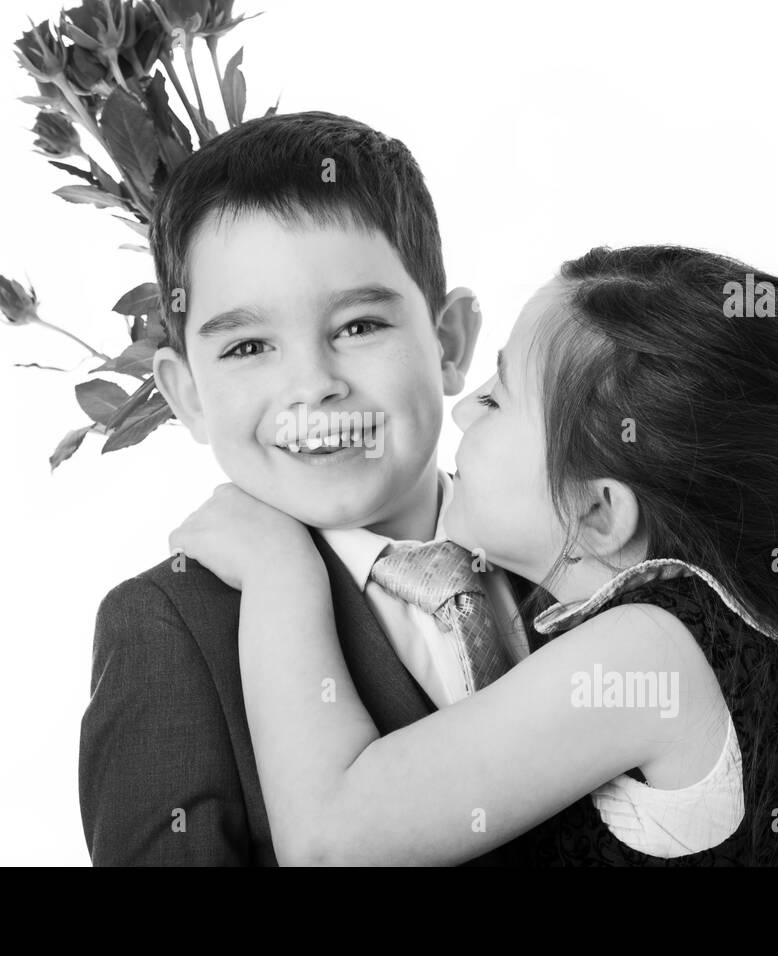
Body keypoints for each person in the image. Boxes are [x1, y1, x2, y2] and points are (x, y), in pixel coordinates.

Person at [171, 245, 778, 866]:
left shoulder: (654, 652)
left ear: (597, 510)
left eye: (498, 396)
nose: (462, 406)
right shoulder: (726, 635)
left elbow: (328, 842)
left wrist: (280, 571)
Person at [78, 111, 543, 865]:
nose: (313, 387)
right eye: (248, 346)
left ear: (449, 342)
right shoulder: (170, 628)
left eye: (358, 327)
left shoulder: (573, 539)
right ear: (187, 393)